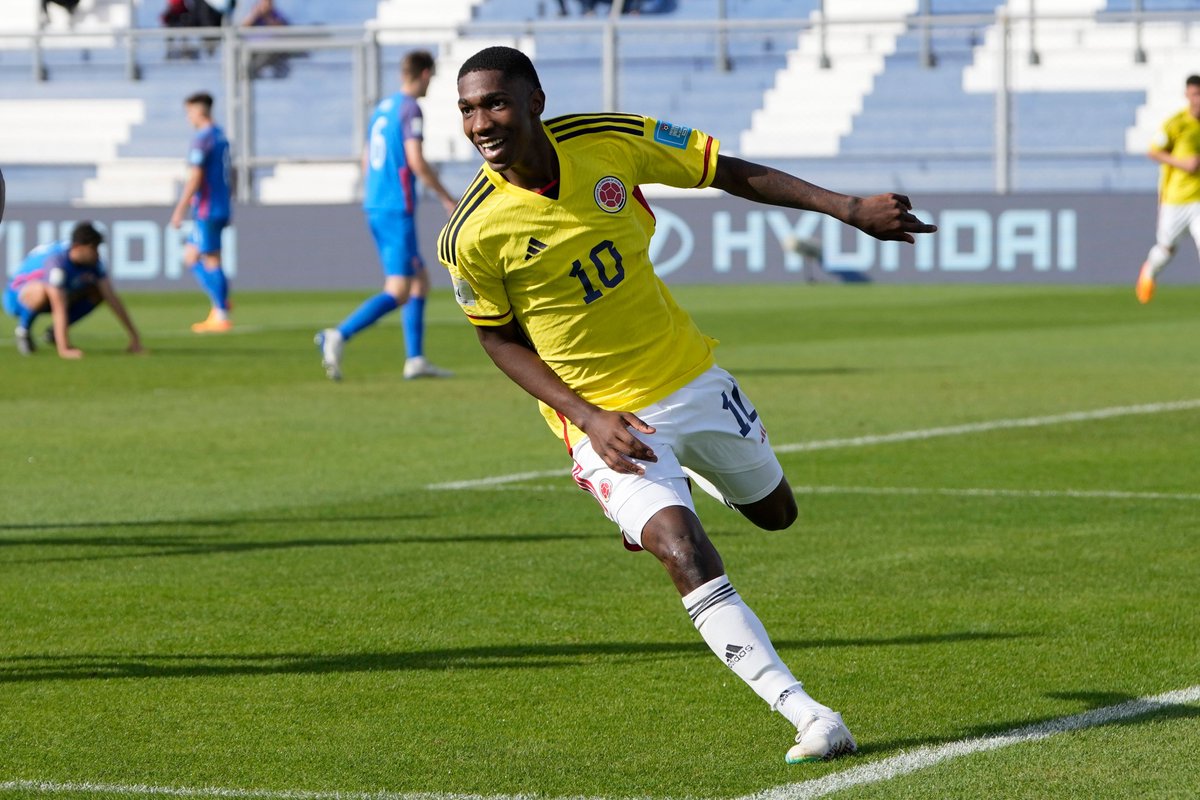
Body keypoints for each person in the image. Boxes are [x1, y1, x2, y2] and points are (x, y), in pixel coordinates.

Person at [438, 46, 936, 763]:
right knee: (682, 546)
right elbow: (498, 341)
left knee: (776, 513)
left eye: (495, 103)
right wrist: (587, 418)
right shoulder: (470, 232)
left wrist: (847, 207)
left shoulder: (607, 138)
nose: (481, 121)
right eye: (467, 109)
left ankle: (662, 494)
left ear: (535, 100)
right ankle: (807, 714)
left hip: (690, 377)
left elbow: (726, 172)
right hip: (607, 422)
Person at [316, 50, 458, 381]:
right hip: (396, 207)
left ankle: (416, 359)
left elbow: (367, 160)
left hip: (376, 202)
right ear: (424, 74)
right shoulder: (411, 109)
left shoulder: (382, 108)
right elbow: (416, 160)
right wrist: (447, 197)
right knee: (399, 289)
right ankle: (337, 335)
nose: (430, 85)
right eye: (431, 78)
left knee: (419, 280)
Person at [5, 221, 143, 359]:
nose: (96, 253)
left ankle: (54, 332)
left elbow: (111, 297)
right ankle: (23, 330)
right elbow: (58, 305)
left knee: (97, 292)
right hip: (16, 297)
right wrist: (64, 349)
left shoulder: (94, 263)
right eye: (92, 248)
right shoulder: (57, 261)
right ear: (77, 247)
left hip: (58, 295)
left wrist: (134, 337)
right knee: (44, 291)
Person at [170, 91, 234, 333]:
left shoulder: (202, 139)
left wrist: (180, 209)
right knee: (191, 256)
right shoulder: (220, 137)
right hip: (220, 205)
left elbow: (195, 177)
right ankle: (221, 299)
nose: (188, 118)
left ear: (199, 110)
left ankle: (221, 311)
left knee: (210, 259)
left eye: (189, 112)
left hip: (206, 207)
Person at [1136, 74, 1200, 304]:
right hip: (1176, 199)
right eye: (1194, 94)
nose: (1198, 99)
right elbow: (1153, 151)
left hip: (1199, 200)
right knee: (1166, 249)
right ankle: (1149, 272)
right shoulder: (1177, 124)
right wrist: (1182, 163)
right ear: (1187, 95)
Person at [241, 0, 293, 79]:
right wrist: (255, 14)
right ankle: (248, 72)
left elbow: (282, 27)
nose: (266, 5)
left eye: (269, 3)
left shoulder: (275, 14)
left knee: (269, 54)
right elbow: (243, 27)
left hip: (270, 48)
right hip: (252, 48)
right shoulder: (254, 14)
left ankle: (251, 72)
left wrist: (267, 17)